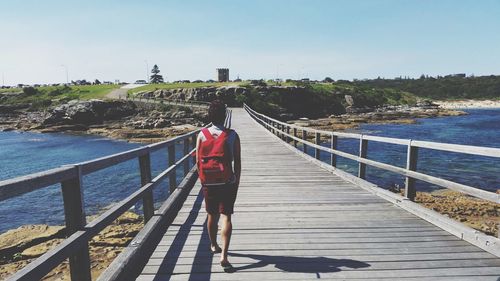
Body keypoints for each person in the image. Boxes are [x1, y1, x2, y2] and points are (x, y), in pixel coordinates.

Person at [196, 100, 241, 272]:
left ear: (210, 115)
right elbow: (237, 161)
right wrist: (236, 181)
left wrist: (203, 179)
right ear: (224, 115)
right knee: (226, 217)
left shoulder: (202, 134)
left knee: (211, 215)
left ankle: (214, 245)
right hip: (227, 181)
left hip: (208, 182)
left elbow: (197, 161)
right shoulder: (232, 135)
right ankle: (224, 256)